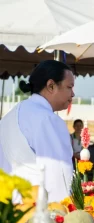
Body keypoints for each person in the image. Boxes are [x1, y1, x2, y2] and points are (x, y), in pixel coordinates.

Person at [0, 60, 75, 203]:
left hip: (8, 212)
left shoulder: (12, 114)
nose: (73, 93)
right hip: (37, 214)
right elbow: (59, 179)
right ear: (51, 86)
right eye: (69, 87)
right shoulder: (48, 119)